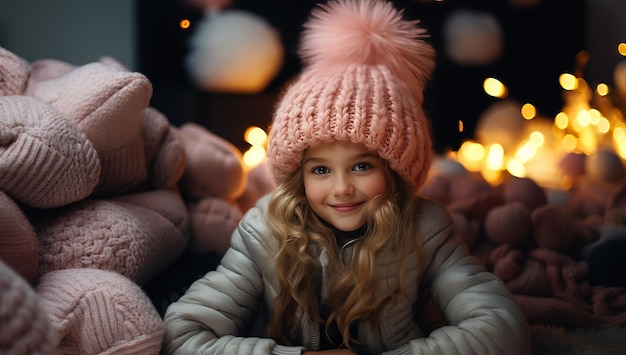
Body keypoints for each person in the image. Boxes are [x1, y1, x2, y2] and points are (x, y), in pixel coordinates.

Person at [162, 0, 531, 354]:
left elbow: (503, 329)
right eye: (320, 170)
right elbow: (184, 334)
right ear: (298, 177)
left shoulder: (425, 230)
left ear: (395, 170)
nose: (341, 188)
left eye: (362, 166)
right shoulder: (264, 231)